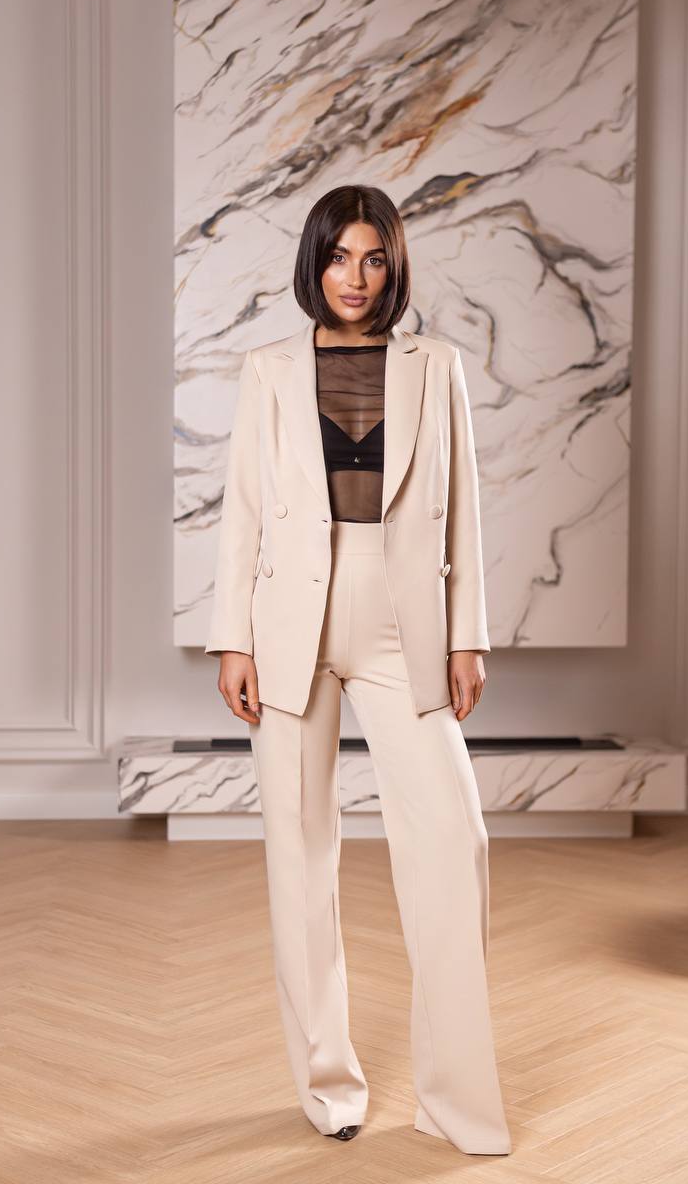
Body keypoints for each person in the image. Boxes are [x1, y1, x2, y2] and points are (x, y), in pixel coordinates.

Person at [205, 184, 511, 1156]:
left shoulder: (436, 365)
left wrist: (467, 633)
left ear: (394, 265)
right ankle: (328, 1084)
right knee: (298, 859)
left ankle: (458, 1100)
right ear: (314, 261)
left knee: (452, 844)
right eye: (339, 256)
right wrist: (232, 638)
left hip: (401, 613)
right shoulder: (265, 369)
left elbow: (460, 504)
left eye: (373, 257)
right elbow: (244, 511)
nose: (354, 276)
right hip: (287, 615)